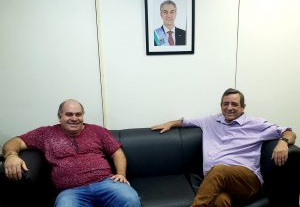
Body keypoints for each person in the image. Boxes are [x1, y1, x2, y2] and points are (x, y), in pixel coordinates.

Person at [151, 88, 297, 207]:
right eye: (225, 104)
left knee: (220, 169)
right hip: (218, 182)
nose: (229, 108)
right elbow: (184, 121)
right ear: (221, 106)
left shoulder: (255, 124)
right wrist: (170, 123)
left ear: (243, 107)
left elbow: (289, 132)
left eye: (234, 104)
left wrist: (283, 142)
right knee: (221, 201)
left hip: (247, 181)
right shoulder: (210, 121)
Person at [2, 99, 141, 207]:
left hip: (106, 183)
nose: (74, 118)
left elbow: (117, 153)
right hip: (71, 191)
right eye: (69, 114)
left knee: (130, 199)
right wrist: (11, 155)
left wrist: (121, 174)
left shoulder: (97, 130)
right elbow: (15, 141)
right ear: (60, 117)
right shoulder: (46, 134)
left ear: (82, 116)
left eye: (78, 114)